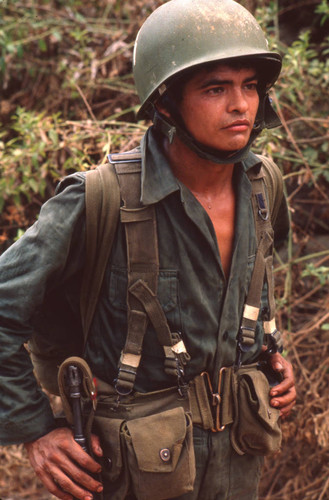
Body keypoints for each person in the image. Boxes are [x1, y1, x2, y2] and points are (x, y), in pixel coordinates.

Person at [0, 0, 296, 499]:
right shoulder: (99, 199)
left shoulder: (264, 185)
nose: (241, 105)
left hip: (236, 470)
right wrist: (34, 429)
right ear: (165, 102)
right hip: (132, 477)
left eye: (250, 85)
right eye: (215, 88)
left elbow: (249, 287)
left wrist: (266, 358)